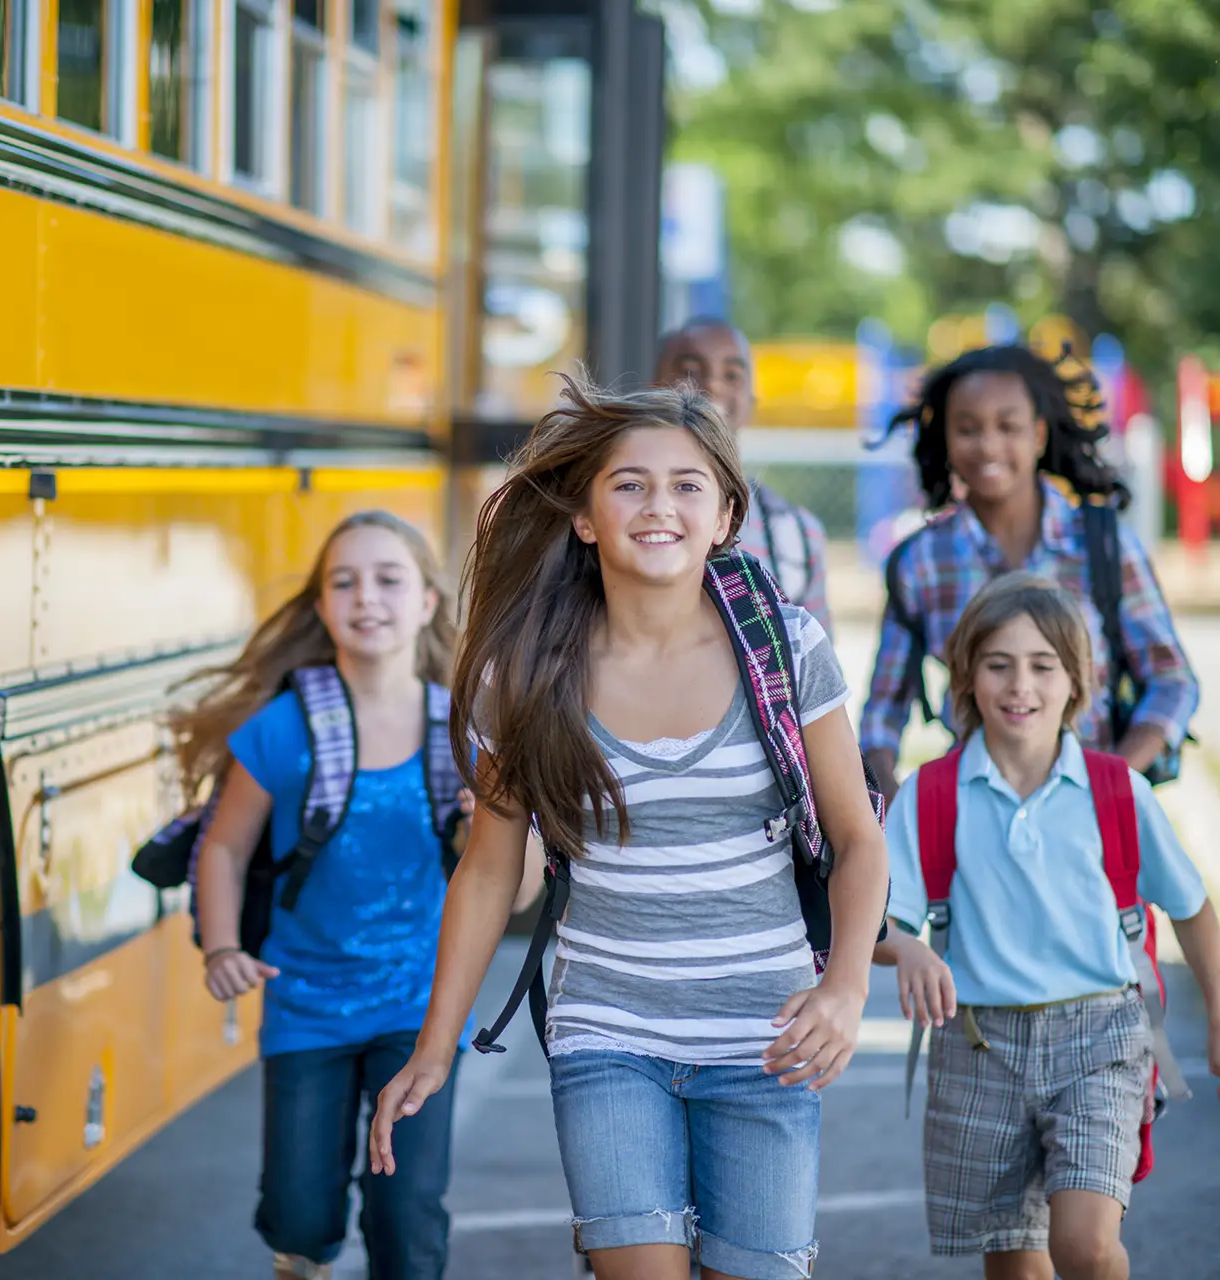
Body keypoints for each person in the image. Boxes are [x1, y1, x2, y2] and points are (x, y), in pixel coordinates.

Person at [368, 376, 890, 1280]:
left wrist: (844, 989)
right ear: (584, 517)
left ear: (726, 516)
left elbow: (858, 837)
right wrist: (434, 1046)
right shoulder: (527, 673)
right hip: (609, 1035)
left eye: (689, 485)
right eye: (630, 484)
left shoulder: (786, 648)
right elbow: (491, 873)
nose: (661, 505)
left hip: (766, 1039)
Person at [180, 510, 539, 1280]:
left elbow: (516, 894)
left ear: (428, 604)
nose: (365, 597)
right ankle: (300, 1258)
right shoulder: (285, 729)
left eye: (388, 579)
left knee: (405, 1218)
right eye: (343, 582)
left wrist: (493, 829)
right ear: (320, 608)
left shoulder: (465, 731)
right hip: (303, 1005)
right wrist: (220, 947)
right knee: (301, 1212)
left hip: (418, 1007)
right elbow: (224, 846)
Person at [876, 572, 1220, 1280]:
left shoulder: (1119, 791)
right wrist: (907, 950)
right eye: (998, 664)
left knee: (1082, 1245)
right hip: (978, 1043)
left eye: (1042, 666)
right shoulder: (931, 795)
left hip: (1101, 1038)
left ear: (1076, 682)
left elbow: (1191, 905)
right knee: (1016, 1264)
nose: (1020, 685)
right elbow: (877, 922)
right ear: (966, 678)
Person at [861, 343, 1199, 800]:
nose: (988, 444)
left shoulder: (1102, 545)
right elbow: (882, 717)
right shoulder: (919, 562)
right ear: (943, 437)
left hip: (1093, 824)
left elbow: (1171, 679)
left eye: (1008, 426)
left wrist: (1111, 785)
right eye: (967, 428)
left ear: (1039, 435)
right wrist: (897, 810)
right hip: (973, 823)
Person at [655, 317, 833, 634]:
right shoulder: (619, 516)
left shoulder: (797, 536)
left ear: (752, 401)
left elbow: (816, 669)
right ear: (652, 388)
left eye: (732, 374)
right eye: (690, 371)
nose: (714, 385)